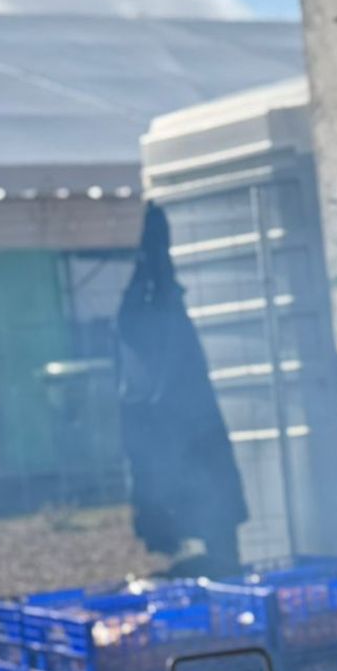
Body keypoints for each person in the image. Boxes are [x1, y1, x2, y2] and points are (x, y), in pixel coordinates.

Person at [115, 203, 248, 578]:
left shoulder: (150, 326)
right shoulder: (140, 326)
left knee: (218, 531)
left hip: (194, 447)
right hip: (178, 452)